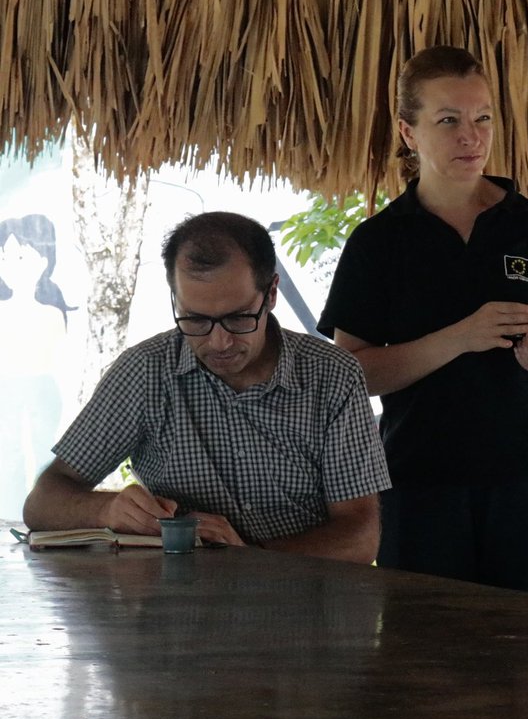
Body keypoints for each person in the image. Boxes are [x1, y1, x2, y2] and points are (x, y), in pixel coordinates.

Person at [317, 45, 528, 597]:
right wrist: (458, 338)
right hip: (421, 488)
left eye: (482, 119)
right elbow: (352, 373)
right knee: (430, 665)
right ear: (409, 133)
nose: (470, 137)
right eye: (448, 121)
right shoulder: (379, 243)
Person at [22, 212, 390, 564]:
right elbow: (41, 503)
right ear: (175, 299)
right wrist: (107, 508)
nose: (218, 342)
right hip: (177, 608)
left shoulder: (333, 376)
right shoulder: (146, 371)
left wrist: (250, 555)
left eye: (238, 318)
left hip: (302, 605)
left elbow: (360, 536)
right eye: (195, 319)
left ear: (271, 293)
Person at [0, 214, 75, 518]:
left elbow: (58, 355)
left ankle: (42, 514)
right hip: (7, 388)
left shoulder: (51, 314)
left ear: (44, 261)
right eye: (4, 256)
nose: (9, 263)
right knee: (9, 452)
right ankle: (10, 512)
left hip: (43, 387)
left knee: (45, 452)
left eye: (19, 255)